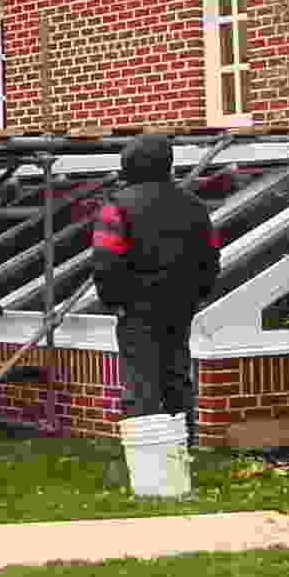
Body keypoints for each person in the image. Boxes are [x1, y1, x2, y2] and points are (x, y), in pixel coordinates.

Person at [91, 133, 223, 448]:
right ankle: (184, 446)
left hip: (136, 307)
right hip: (180, 303)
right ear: (168, 164)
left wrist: (114, 301)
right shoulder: (195, 207)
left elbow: (106, 261)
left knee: (140, 380)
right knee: (177, 373)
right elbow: (210, 258)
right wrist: (196, 295)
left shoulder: (116, 208)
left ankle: (149, 453)